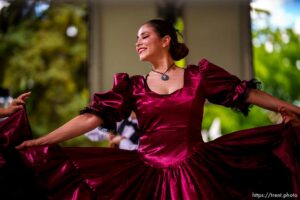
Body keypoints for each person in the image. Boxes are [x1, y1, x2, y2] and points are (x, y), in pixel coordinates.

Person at [1, 19, 300, 199]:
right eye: (136, 38)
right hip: (145, 174)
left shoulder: (199, 76)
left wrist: (286, 107)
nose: (137, 43)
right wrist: (42, 140)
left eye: (144, 36)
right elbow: (92, 117)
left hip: (197, 170)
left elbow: (244, 93)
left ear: (165, 40)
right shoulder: (132, 86)